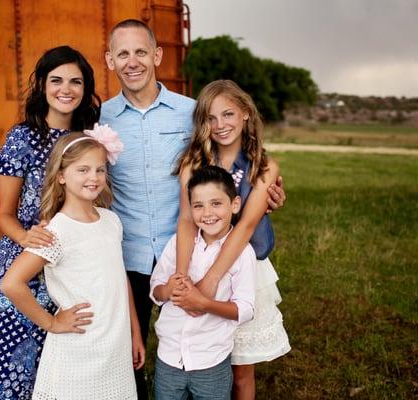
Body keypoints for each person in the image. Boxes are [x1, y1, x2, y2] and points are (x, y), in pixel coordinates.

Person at [100, 19, 286, 398]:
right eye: (123, 53)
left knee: (227, 358)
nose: (133, 61)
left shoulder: (191, 112)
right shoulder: (99, 120)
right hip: (132, 252)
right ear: (110, 61)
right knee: (129, 351)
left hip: (206, 254)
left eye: (141, 51)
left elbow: (244, 202)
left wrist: (269, 191)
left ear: (157, 55)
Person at [0, 46, 101, 399]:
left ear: (86, 88)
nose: (66, 89)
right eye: (56, 80)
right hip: (26, 262)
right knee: (13, 369)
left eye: (76, 81)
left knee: (62, 368)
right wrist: (29, 238)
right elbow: (4, 214)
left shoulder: (88, 138)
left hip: (73, 263)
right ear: (42, 86)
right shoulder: (23, 138)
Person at [1, 128, 144, 400]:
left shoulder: (111, 221)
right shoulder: (57, 231)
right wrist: (52, 324)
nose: (94, 177)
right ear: (62, 176)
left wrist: (135, 332)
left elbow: (119, 279)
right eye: (83, 170)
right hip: (78, 350)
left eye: (100, 170)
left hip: (114, 346)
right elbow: (11, 284)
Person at [174, 79, 291, 400]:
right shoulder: (193, 164)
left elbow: (245, 227)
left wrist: (212, 282)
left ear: (245, 114)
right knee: (204, 362)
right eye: (211, 118)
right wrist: (184, 275)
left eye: (228, 114)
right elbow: (185, 220)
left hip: (243, 269)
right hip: (200, 264)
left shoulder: (264, 167)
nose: (220, 125)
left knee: (241, 371)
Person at [150, 166, 257, 400]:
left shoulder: (242, 253)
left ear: (235, 204)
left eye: (216, 203)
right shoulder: (179, 243)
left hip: (210, 361)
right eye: (198, 206)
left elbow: (246, 309)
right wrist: (167, 289)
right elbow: (156, 289)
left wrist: (203, 303)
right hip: (169, 357)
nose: (207, 213)